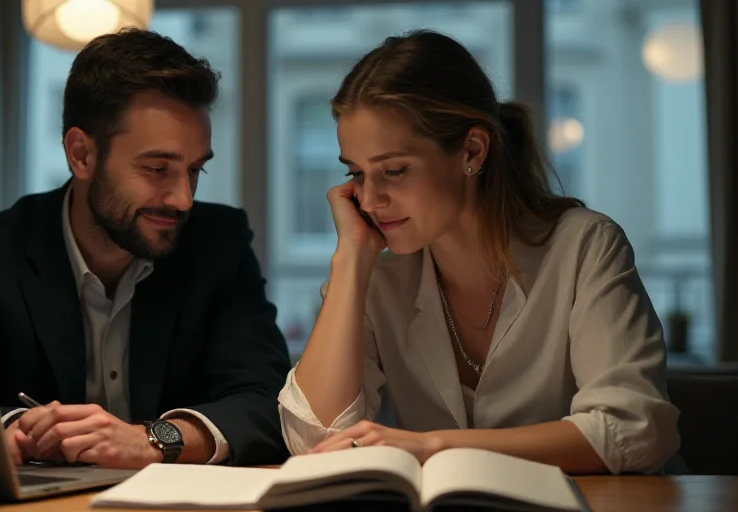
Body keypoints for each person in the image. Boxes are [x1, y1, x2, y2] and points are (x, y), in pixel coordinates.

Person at [278, 30, 680, 475]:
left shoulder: (584, 246)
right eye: (356, 173)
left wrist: (434, 446)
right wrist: (350, 259)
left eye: (393, 170)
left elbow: (634, 429)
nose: (369, 200)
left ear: (472, 150)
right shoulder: (375, 277)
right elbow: (315, 442)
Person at [0, 29, 291, 469]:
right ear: (81, 154)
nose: (183, 199)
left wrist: (154, 439)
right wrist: (15, 428)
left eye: (195, 170)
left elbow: (265, 402)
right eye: (157, 168)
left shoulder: (218, 243)